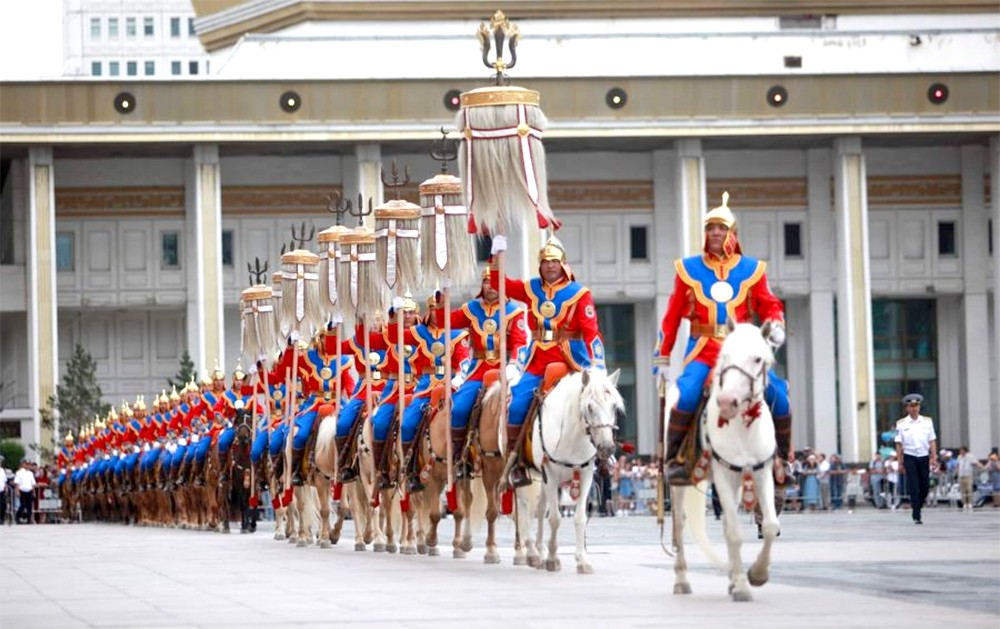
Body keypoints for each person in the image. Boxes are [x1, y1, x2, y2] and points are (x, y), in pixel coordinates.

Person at [654, 192, 791, 485]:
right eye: (710, 227)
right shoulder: (688, 269)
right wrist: (662, 356)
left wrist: (776, 322)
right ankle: (675, 459)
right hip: (703, 349)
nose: (715, 232)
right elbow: (672, 316)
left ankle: (784, 460)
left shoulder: (753, 270)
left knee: (779, 395)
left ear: (733, 234)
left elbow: (769, 304)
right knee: (688, 392)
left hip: (742, 350)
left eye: (721, 227)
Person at [489, 233, 607, 487]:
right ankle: (517, 461)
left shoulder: (579, 294)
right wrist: (495, 256)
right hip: (536, 360)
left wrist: (598, 365)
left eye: (554, 261)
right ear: (540, 265)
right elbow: (500, 284)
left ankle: (604, 453)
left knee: (597, 401)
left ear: (563, 264)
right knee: (517, 403)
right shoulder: (531, 288)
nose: (550, 265)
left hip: (571, 360)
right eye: (545, 261)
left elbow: (591, 330)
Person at [894, 393, 938, 525]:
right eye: (911, 406)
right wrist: (900, 461)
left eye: (916, 405)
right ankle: (916, 514)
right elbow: (898, 443)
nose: (914, 408)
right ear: (907, 408)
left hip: (924, 456)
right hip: (910, 456)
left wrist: (934, 457)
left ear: (919, 407)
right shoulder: (901, 424)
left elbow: (932, 441)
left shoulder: (927, 421)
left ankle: (918, 505)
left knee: (924, 487)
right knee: (914, 486)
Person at [955, 446, 982, 512]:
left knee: (969, 489)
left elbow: (976, 463)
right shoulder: (959, 457)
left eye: (961, 450)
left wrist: (982, 467)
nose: (960, 452)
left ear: (965, 451)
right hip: (961, 475)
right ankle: (964, 503)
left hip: (968, 475)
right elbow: (958, 465)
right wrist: (956, 473)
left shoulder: (970, 456)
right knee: (962, 490)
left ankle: (969, 503)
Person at [14, 460, 37, 524]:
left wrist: (34, 492)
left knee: (29, 505)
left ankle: (29, 518)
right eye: (26, 464)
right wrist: (17, 491)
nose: (27, 465)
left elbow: (32, 484)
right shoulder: (19, 473)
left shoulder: (30, 473)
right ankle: (18, 516)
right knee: (22, 505)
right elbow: (17, 483)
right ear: (23, 464)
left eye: (29, 464)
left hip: (29, 490)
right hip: (22, 490)